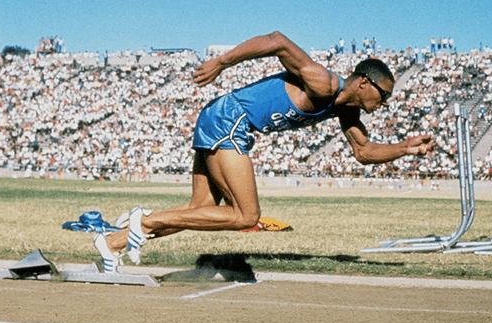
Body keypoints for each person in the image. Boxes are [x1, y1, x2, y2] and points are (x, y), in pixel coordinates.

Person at [93, 31, 434, 273]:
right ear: (363, 82)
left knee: (200, 211)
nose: (385, 102)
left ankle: (113, 243)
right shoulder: (323, 83)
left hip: (222, 120)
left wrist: (404, 148)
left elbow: (363, 151)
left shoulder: (345, 111)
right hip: (229, 120)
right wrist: (222, 63)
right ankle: (145, 219)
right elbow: (277, 41)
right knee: (246, 216)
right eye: (384, 94)